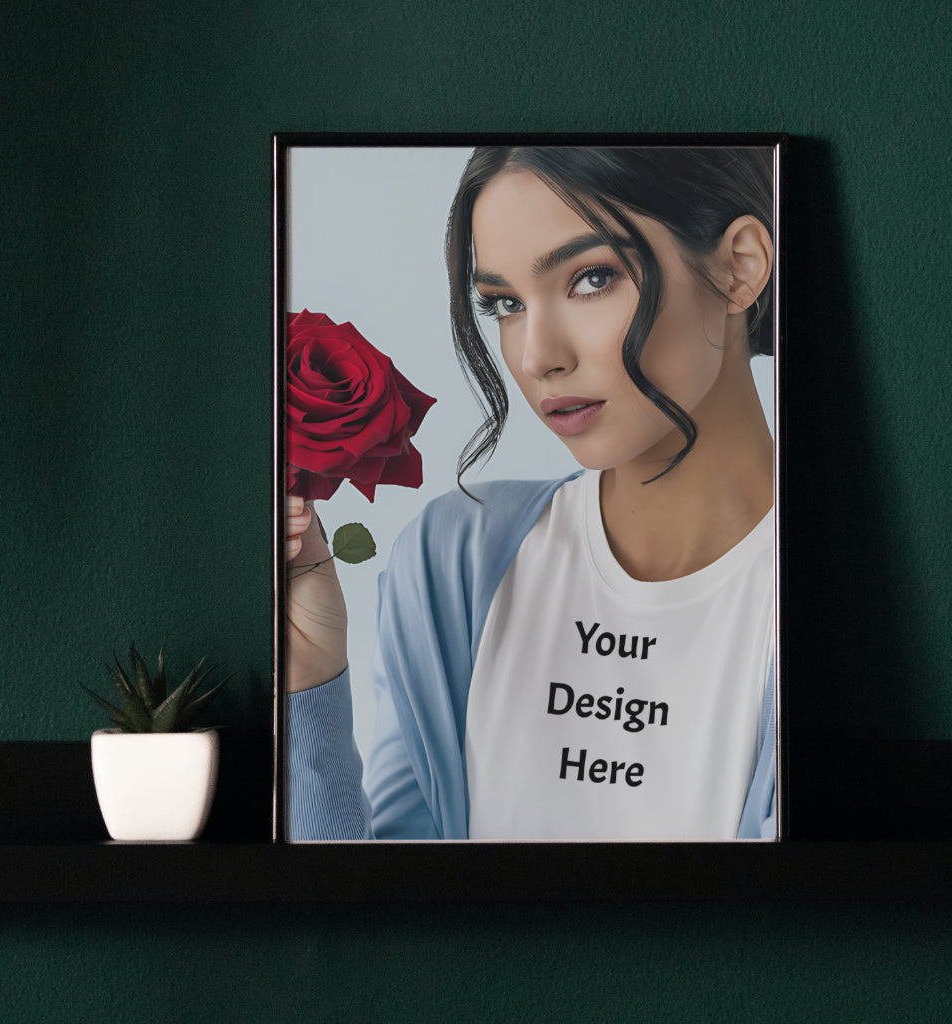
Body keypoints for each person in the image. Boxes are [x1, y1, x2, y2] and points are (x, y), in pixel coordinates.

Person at [285, 145, 777, 841]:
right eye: (506, 303)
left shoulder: (832, 586)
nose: (535, 355)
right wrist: (310, 678)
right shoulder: (453, 563)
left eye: (591, 278)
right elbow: (387, 929)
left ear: (740, 266)